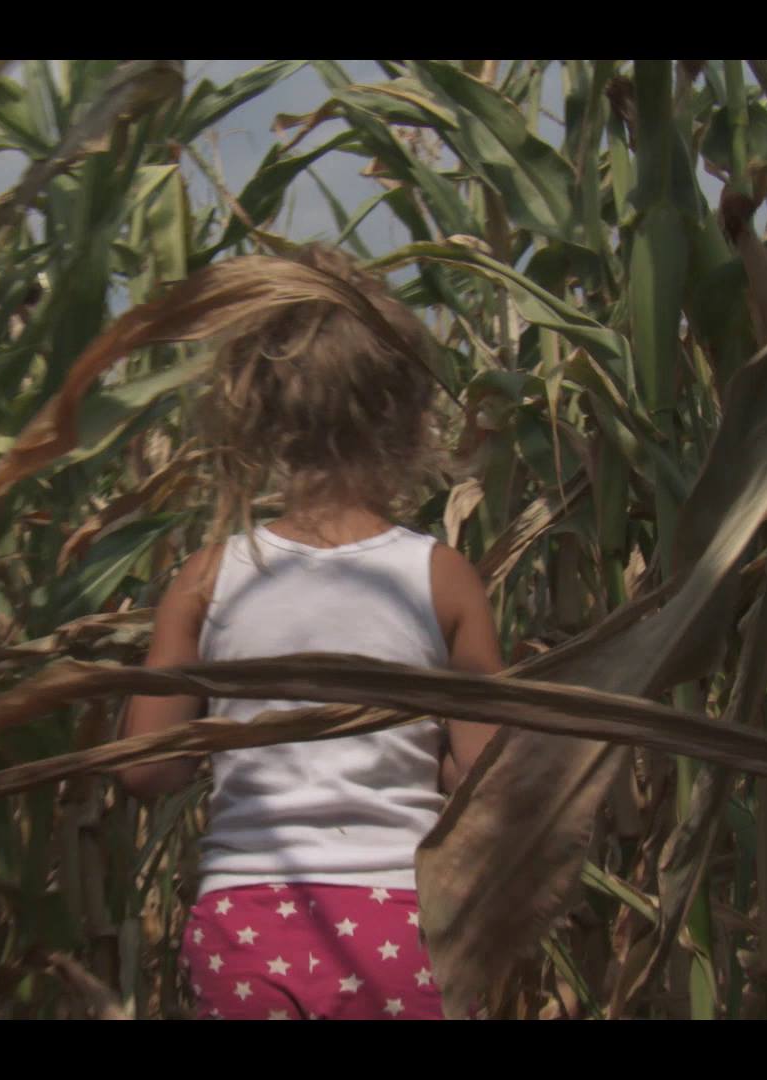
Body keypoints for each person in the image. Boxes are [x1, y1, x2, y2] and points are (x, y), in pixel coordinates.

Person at [118, 245, 502, 1020]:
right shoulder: (442, 576)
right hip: (403, 918)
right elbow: (490, 777)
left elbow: (145, 770)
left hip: (247, 921)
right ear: (411, 416)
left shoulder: (206, 578)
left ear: (260, 417)